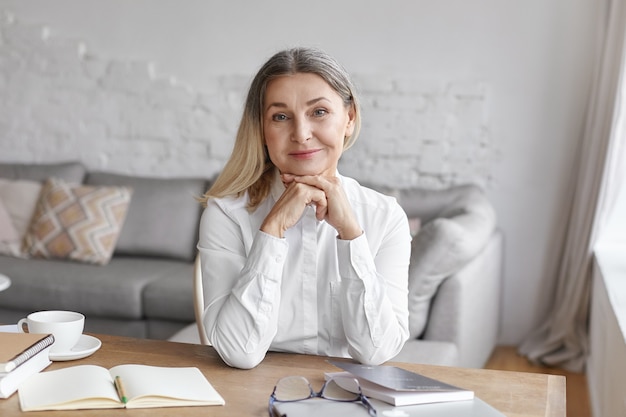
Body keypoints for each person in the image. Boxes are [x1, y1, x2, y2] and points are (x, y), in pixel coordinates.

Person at [198, 47, 411, 369]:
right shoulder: (226, 213)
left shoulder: (385, 216)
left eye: (319, 112)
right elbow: (238, 352)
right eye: (280, 117)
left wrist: (351, 235)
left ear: (349, 119)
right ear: (261, 129)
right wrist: (272, 230)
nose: (301, 134)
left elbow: (376, 351)